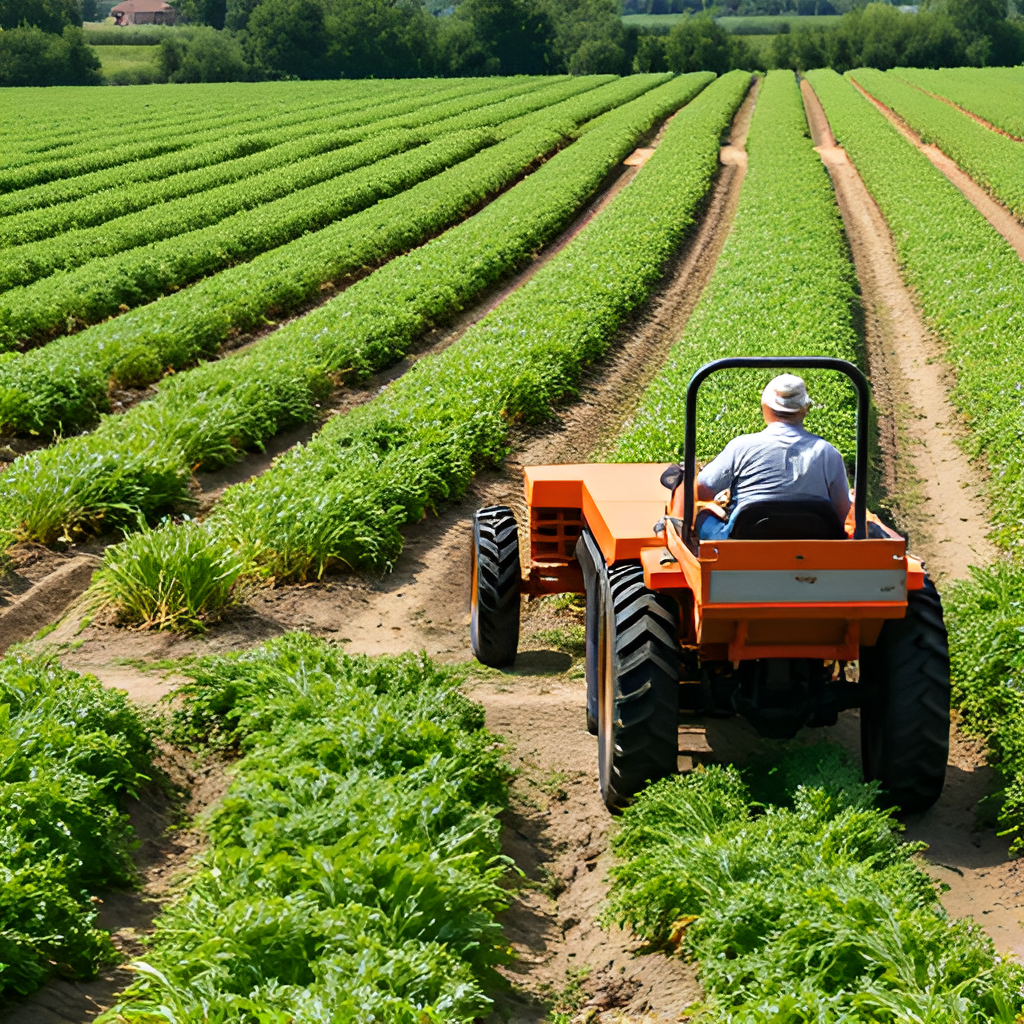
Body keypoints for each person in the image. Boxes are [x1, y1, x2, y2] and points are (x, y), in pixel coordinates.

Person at [689, 374, 851, 540]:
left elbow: (703, 491)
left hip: (745, 544)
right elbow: (841, 510)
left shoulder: (741, 447)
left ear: (765, 407)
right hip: (814, 543)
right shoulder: (827, 452)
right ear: (804, 410)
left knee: (704, 515)